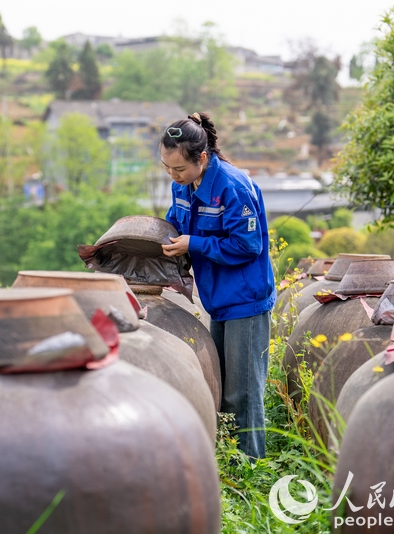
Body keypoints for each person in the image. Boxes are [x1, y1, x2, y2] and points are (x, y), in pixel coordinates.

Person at [160, 112, 275, 459]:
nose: (173, 176)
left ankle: (252, 469)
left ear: (203, 158)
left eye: (179, 169)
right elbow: (175, 222)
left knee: (244, 393)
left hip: (245, 300)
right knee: (222, 388)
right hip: (216, 299)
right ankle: (230, 462)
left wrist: (193, 244)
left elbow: (247, 246)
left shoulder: (232, 187)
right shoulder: (183, 185)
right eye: (166, 168)